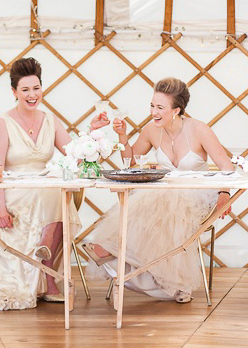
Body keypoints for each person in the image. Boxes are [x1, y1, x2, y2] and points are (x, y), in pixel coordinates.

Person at [82, 77, 234, 303]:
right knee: (145, 203)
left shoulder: (199, 130)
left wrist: (224, 196)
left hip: (196, 197)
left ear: (176, 110)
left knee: (159, 204)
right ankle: (120, 255)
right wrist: (123, 135)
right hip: (160, 197)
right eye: (152, 106)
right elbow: (131, 163)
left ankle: (117, 252)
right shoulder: (152, 130)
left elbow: (227, 166)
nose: (154, 112)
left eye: (160, 107)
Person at [0, 57, 106, 310]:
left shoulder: (51, 120)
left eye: (36, 88)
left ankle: (46, 255)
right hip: (14, 190)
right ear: (14, 92)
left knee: (56, 190)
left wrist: (92, 133)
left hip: (44, 189)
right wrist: (1, 210)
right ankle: (49, 275)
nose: (32, 94)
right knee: (55, 192)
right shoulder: (3, 124)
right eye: (25, 89)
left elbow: (75, 154)